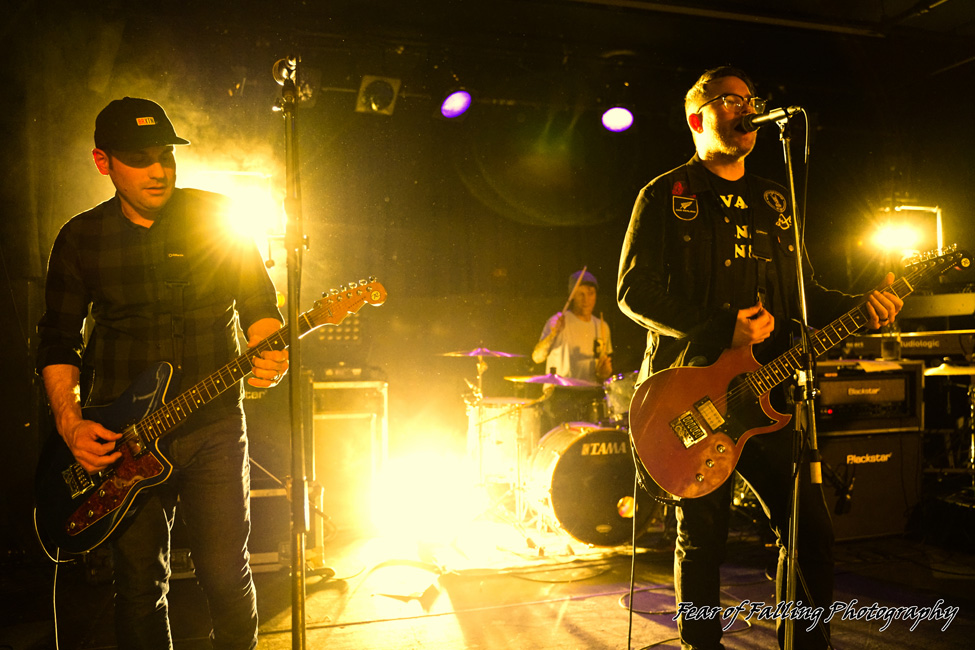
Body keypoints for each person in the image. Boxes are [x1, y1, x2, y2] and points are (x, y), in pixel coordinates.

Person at [617, 67, 902, 650]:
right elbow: (632, 291)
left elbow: (806, 293)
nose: (746, 109)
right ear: (698, 117)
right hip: (692, 396)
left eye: (750, 100)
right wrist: (722, 326)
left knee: (809, 532)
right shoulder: (667, 194)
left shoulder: (777, 197)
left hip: (769, 395)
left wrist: (862, 305)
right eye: (730, 100)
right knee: (703, 539)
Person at [36, 97, 288, 650]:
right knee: (139, 587)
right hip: (125, 437)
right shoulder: (81, 238)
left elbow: (259, 303)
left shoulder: (219, 218)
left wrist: (270, 347)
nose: (159, 169)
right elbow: (58, 338)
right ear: (103, 163)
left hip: (214, 425)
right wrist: (71, 423)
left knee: (226, 575)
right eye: (140, 157)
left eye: (166, 155)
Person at [532, 269, 613, 429]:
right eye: (580, 294)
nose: (586, 299)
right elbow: (537, 357)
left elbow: (603, 373)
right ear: (572, 295)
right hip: (561, 396)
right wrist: (552, 335)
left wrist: (605, 373)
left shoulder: (602, 326)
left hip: (590, 397)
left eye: (590, 293)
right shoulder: (558, 321)